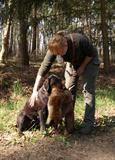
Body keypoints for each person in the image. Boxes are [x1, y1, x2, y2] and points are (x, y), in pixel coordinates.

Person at [29, 31, 100, 134]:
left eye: (60, 53)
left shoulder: (80, 40)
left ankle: (88, 124)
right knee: (67, 92)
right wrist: (34, 90)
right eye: (56, 54)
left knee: (87, 90)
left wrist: (82, 67)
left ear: (66, 45)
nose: (59, 56)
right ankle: (69, 125)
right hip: (73, 62)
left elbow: (91, 53)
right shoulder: (54, 48)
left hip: (90, 61)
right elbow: (44, 68)